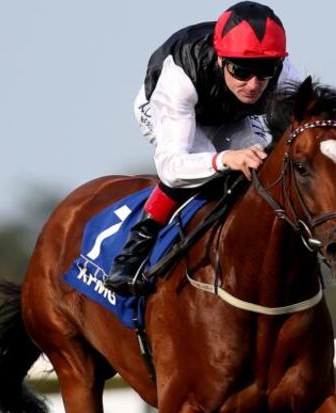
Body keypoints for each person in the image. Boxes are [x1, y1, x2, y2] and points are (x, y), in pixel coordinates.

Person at [104, 1, 302, 296]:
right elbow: (172, 169)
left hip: (232, 117)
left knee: (262, 161)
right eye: (241, 71)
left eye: (264, 73)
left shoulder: (283, 73)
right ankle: (134, 251)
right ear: (222, 60)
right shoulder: (180, 76)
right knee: (204, 167)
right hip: (173, 112)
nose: (253, 84)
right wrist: (225, 159)